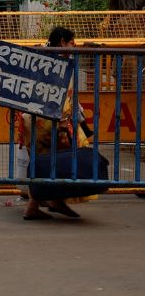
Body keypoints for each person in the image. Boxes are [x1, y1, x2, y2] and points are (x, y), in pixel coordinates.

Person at [19, 26, 106, 220]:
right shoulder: (58, 64)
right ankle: (45, 203)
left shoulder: (41, 56)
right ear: (62, 42)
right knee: (71, 155)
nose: (74, 44)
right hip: (49, 122)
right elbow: (59, 97)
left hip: (34, 120)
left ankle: (50, 202)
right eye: (71, 41)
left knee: (45, 164)